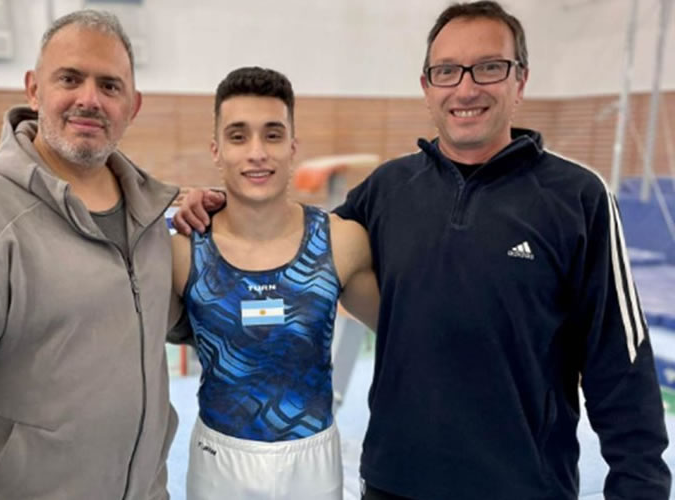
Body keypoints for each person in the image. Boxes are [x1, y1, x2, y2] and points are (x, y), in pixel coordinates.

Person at [172, 2, 671, 499]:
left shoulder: (577, 198)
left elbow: (620, 361)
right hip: (394, 484)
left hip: (521, 486)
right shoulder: (388, 190)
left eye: (489, 67)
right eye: (447, 71)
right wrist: (221, 204)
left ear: (520, 80)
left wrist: (640, 487)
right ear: (427, 86)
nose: (466, 88)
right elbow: (286, 237)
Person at [0, 10, 179, 500]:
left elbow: (191, 323)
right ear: (34, 90)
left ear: (133, 105)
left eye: (109, 86)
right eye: (70, 79)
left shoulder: (149, 220)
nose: (89, 99)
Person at [170, 67, 378, 500]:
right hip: (219, 459)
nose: (257, 153)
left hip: (311, 459)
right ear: (216, 151)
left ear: (292, 147)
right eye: (238, 136)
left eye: (272, 135)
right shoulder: (183, 249)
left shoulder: (341, 242)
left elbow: (406, 333)